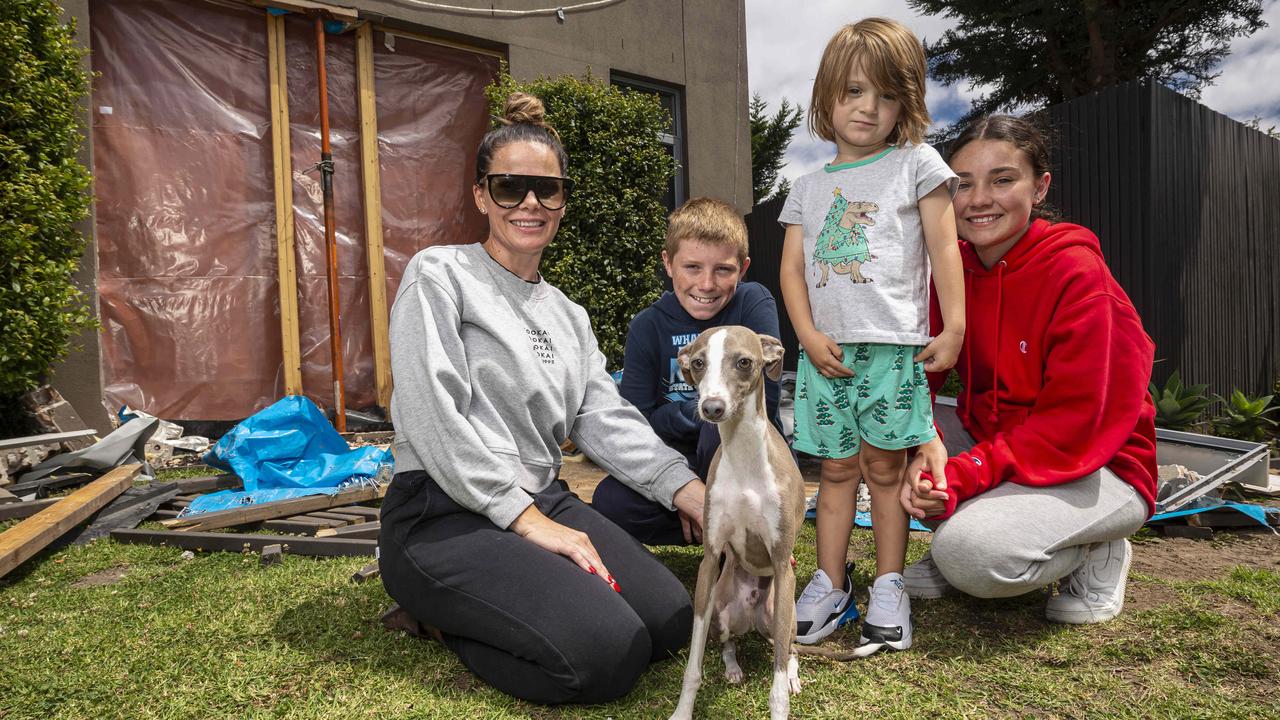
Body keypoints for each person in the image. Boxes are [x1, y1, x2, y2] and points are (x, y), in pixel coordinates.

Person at [379, 92, 707, 705]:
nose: (530, 203)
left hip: (541, 498)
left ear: (562, 201)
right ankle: (440, 617)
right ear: (482, 195)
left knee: (668, 622)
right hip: (442, 513)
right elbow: (431, 417)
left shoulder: (568, 313)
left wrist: (688, 491)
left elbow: (602, 417)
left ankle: (519, 591)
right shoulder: (440, 275)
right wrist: (524, 522)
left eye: (546, 189)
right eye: (510, 187)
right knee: (606, 655)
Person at [900, 114, 1157, 625]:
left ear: (1040, 187)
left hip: (1098, 462)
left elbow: (1073, 425)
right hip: (1003, 444)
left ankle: (1098, 546)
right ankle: (980, 525)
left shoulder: (1077, 275)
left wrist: (963, 473)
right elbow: (917, 371)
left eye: (1002, 179)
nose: (978, 200)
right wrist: (915, 441)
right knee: (884, 430)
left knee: (970, 558)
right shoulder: (953, 270)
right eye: (963, 184)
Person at [777, 17, 965, 654]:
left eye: (886, 96)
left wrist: (955, 324)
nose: (868, 108)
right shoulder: (808, 186)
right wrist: (805, 335)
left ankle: (890, 583)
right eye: (854, 91)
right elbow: (792, 270)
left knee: (885, 472)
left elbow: (945, 248)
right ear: (827, 97)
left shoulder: (919, 164)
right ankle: (830, 581)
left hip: (891, 350)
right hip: (825, 355)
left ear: (905, 105)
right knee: (833, 472)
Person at [592, 197, 782, 546]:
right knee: (609, 502)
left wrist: (674, 414)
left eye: (723, 269)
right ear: (668, 263)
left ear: (743, 268)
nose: (706, 284)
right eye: (692, 267)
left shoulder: (753, 302)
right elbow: (636, 423)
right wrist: (681, 488)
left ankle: (740, 530)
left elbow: (761, 403)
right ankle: (720, 525)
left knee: (719, 424)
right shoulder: (647, 326)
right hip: (675, 462)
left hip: (751, 464)